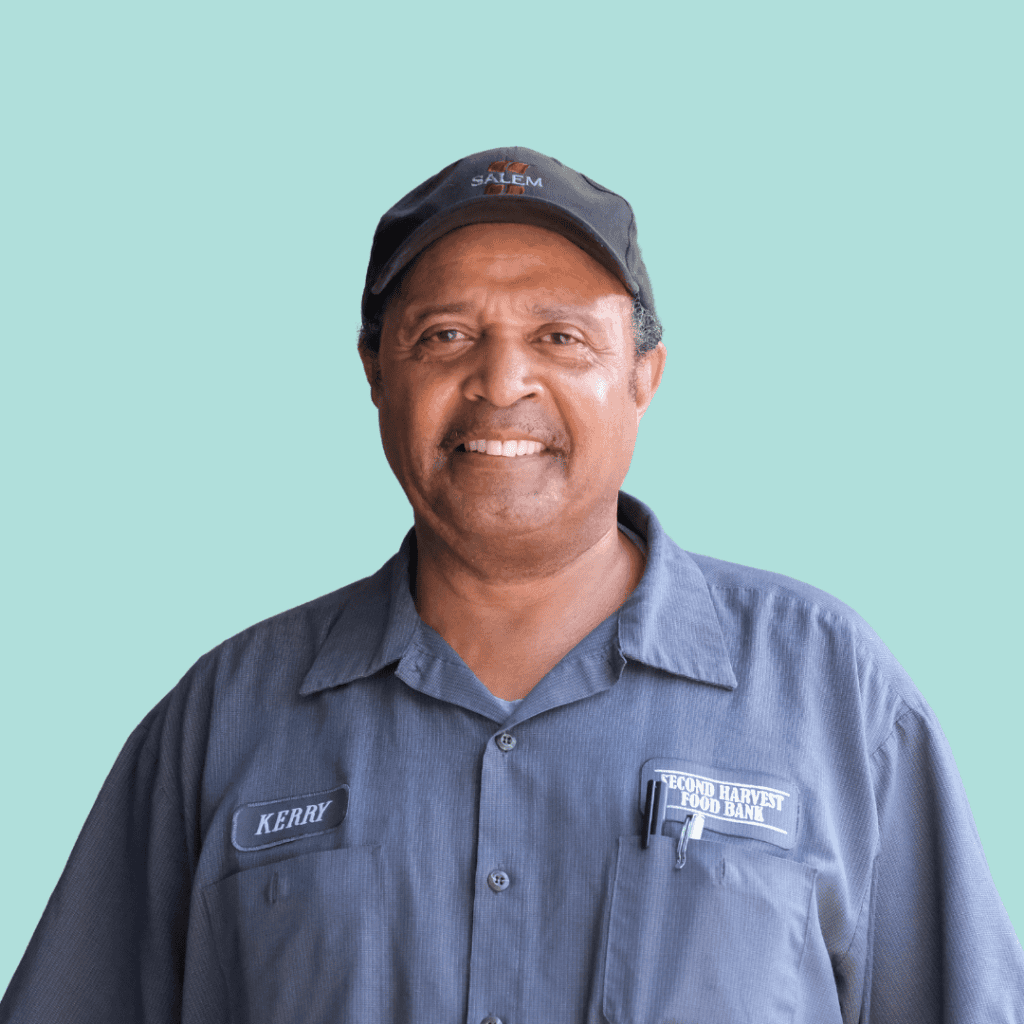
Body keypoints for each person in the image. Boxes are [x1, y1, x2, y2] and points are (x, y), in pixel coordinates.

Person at [2, 146, 1022, 1024]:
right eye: (444, 335)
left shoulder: (830, 692)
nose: (500, 381)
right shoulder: (223, 721)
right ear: (373, 372)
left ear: (644, 375)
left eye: (560, 337)